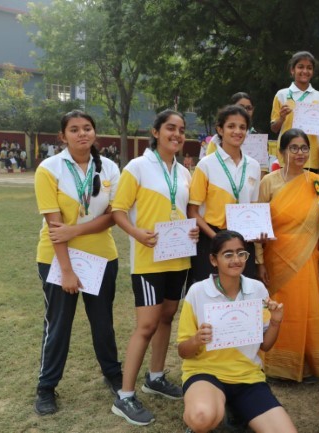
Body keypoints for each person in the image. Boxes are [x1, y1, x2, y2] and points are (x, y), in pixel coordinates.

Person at [111, 109, 200, 426]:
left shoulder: (185, 172)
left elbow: (185, 212)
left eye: (182, 130)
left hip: (179, 258)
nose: (177, 134)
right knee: (146, 325)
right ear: (156, 131)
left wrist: (192, 230)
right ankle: (124, 396)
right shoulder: (137, 167)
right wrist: (137, 233)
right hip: (148, 261)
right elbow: (118, 210)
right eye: (170, 128)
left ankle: (156, 376)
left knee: (167, 317)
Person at [33, 110, 122, 415]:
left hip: (101, 257)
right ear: (63, 136)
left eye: (87, 128)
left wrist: (76, 231)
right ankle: (46, 387)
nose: (82, 133)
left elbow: (114, 215)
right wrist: (67, 271)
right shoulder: (49, 169)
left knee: (103, 322)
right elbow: (55, 227)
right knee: (58, 325)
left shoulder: (109, 167)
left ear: (94, 132)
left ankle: (113, 375)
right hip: (58, 259)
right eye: (74, 129)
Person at [178, 231, 297, 433]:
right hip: (206, 373)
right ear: (213, 260)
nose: (236, 259)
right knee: (201, 418)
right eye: (228, 254)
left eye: (241, 253)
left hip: (247, 376)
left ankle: (235, 408)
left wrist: (275, 322)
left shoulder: (257, 289)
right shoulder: (198, 291)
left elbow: (265, 346)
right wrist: (197, 340)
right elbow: (183, 351)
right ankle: (216, 408)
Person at [256, 128, 319, 382]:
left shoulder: (318, 183)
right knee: (279, 310)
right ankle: (276, 365)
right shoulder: (269, 182)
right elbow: (258, 224)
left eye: (304, 148)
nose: (300, 153)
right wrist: (259, 260)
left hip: (307, 257)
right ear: (281, 151)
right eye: (294, 148)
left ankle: (308, 364)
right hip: (276, 256)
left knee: (306, 311)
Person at [188, 105, 262, 286]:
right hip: (211, 239)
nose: (237, 131)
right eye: (231, 126)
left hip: (243, 242)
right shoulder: (206, 165)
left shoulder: (254, 166)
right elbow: (193, 211)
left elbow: (253, 207)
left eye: (242, 127)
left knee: (243, 293)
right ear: (220, 130)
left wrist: (258, 232)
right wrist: (216, 238)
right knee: (211, 295)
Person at [270, 51, 319, 172]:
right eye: (300, 67)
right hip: (287, 154)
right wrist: (282, 118)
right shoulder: (281, 95)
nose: (305, 71)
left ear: (313, 72)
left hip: (312, 157)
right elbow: (274, 128)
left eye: (309, 68)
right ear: (292, 70)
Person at [206, 92, 258, 156]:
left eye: (249, 108)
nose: (245, 111)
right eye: (240, 107)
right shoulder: (216, 141)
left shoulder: (259, 138)